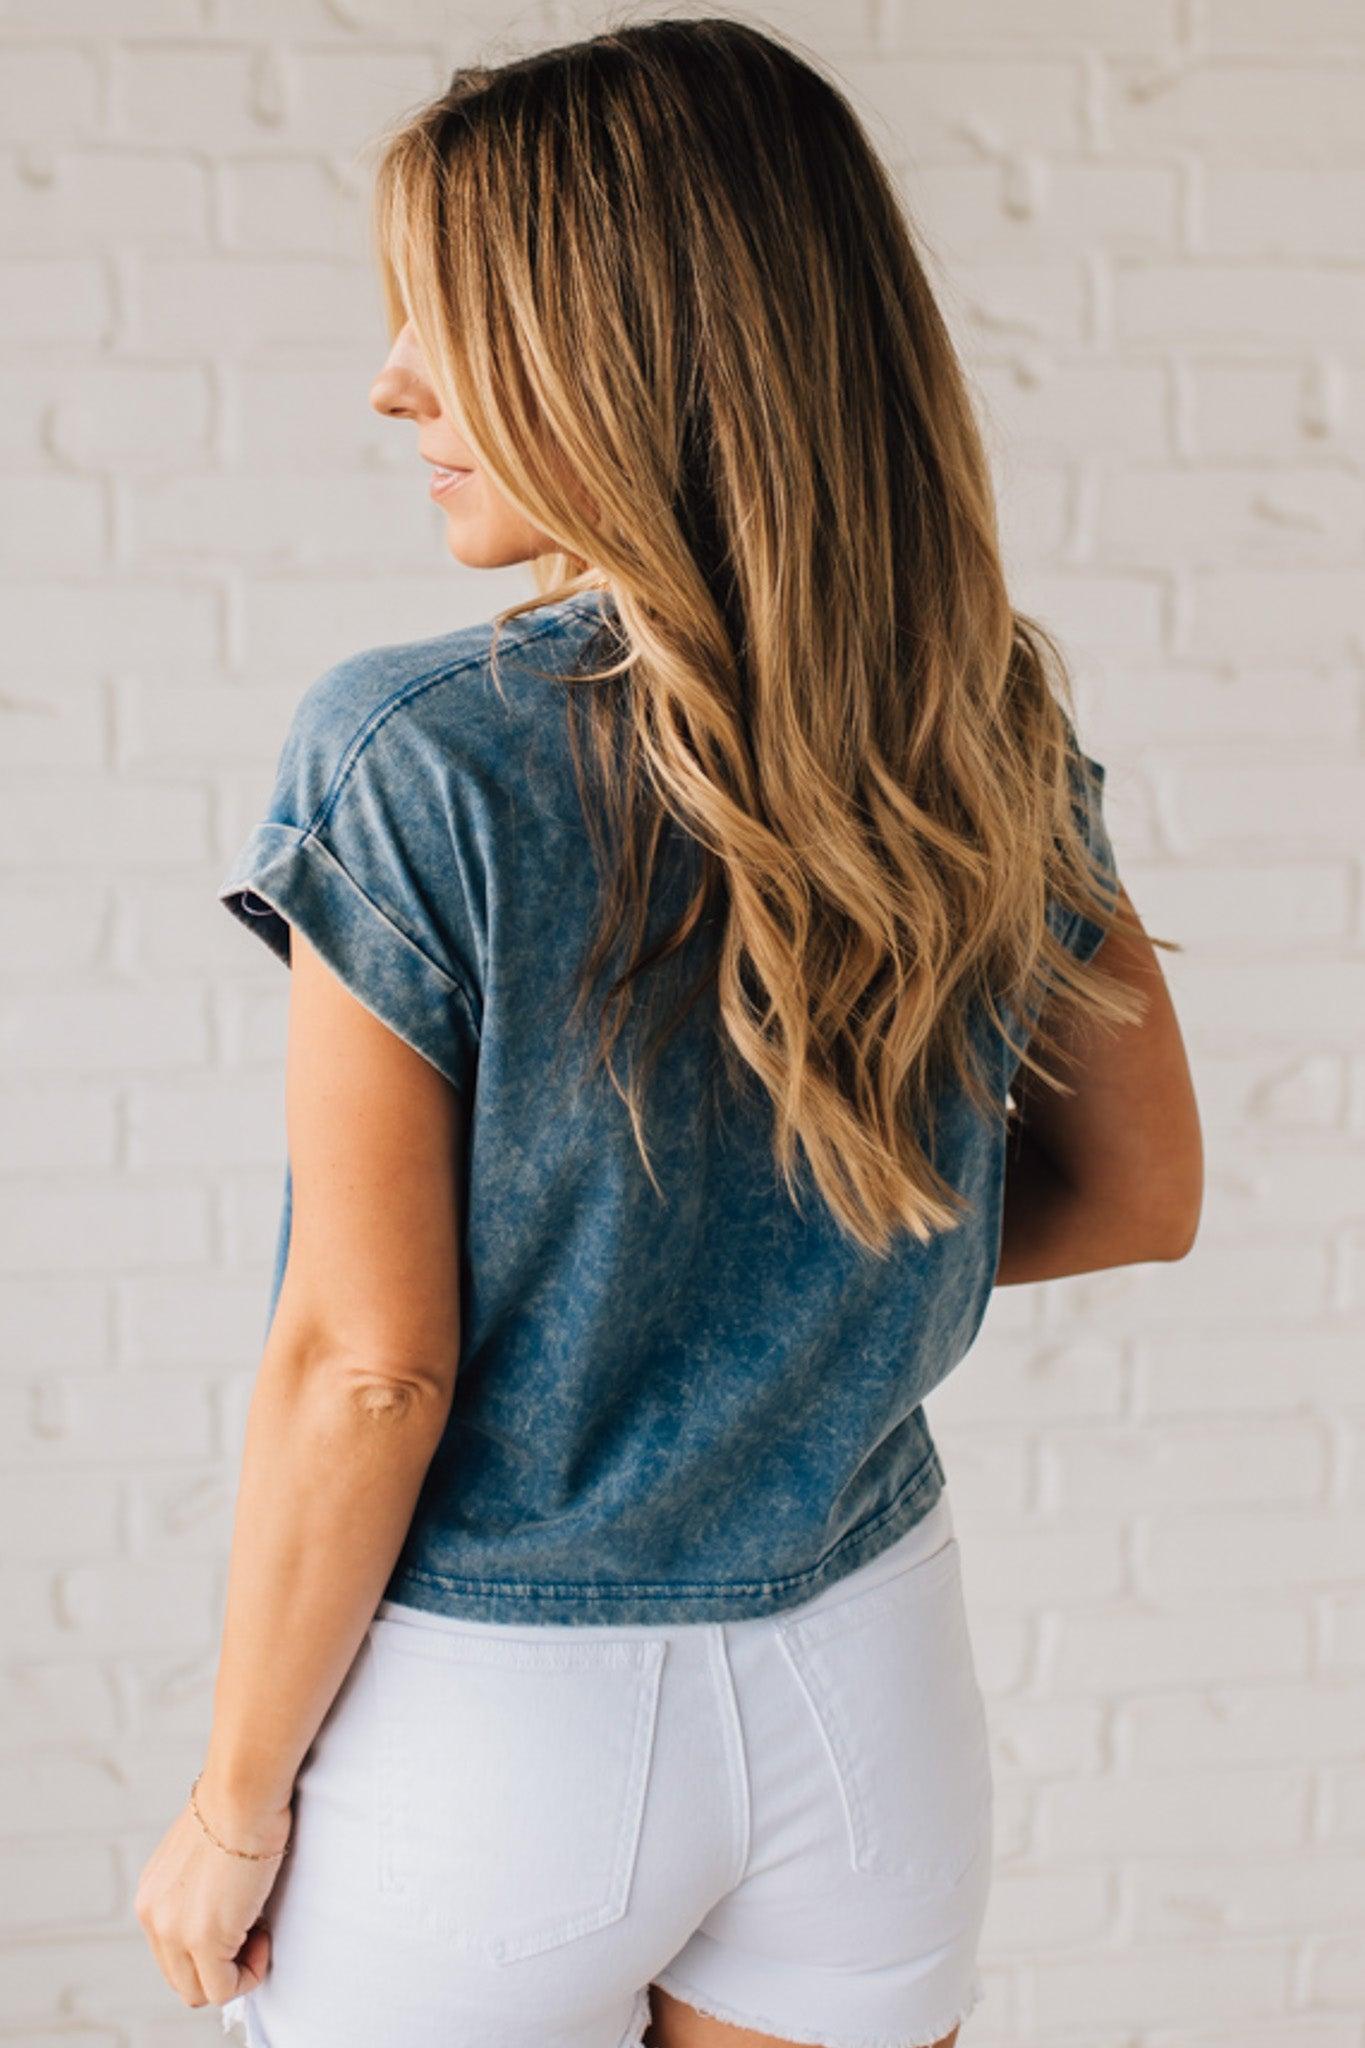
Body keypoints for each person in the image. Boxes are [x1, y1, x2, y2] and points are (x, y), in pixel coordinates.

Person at [132, 18, 1203, 2048]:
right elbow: (1137, 1192)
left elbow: (368, 1366)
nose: (391, 383)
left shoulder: (414, 755)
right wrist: (778, 1304)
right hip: (865, 1693)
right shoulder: (973, 712)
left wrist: (228, 1804)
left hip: (489, 1735)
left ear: (631, 350)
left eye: (449, 323)